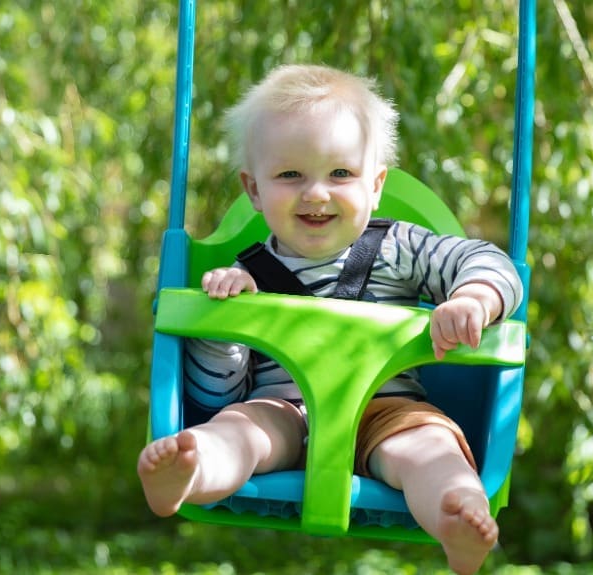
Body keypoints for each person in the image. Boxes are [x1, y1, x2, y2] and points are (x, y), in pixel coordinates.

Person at [137, 64, 523, 575]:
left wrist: (474, 299)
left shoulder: (400, 247)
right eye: (290, 174)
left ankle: (456, 514)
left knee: (430, 451)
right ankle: (191, 468)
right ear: (254, 191)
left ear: (376, 184)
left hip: (389, 410)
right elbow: (216, 395)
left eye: (340, 174)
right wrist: (222, 326)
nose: (315, 194)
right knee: (237, 428)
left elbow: (490, 262)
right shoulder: (246, 274)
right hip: (283, 410)